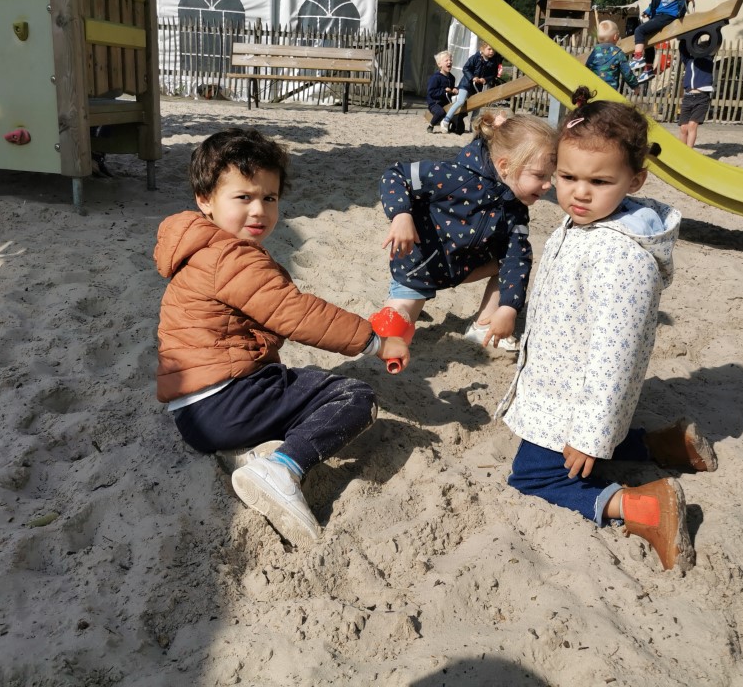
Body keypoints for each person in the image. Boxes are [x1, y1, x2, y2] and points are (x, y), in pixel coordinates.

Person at [497, 86, 718, 572]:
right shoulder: (587, 222)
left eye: (599, 181)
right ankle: (663, 444)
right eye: (567, 176)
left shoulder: (620, 257)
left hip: (576, 402)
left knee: (534, 477)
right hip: (562, 384)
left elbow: (613, 358)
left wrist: (590, 434)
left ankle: (646, 506)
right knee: (577, 452)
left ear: (635, 180)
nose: (579, 192)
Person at [154, 127, 410, 546]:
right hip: (227, 402)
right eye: (243, 197)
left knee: (290, 382)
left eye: (269, 198)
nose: (259, 211)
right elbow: (297, 314)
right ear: (205, 200)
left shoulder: (199, 251)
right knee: (353, 396)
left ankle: (250, 453)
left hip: (192, 414)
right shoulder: (230, 258)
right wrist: (375, 342)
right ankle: (282, 468)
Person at [380, 111, 556, 352]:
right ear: (505, 166)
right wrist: (401, 215)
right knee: (393, 330)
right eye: (539, 175)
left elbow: (516, 260)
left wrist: (508, 307)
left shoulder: (515, 208)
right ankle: (402, 307)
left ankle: (483, 325)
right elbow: (396, 175)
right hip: (419, 269)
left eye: (550, 176)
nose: (548, 185)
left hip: (461, 268)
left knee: (510, 264)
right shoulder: (454, 176)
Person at [630, 0, 702, 82]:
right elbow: (656, 2)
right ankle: (648, 69)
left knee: (639, 31)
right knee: (648, 38)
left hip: (671, 15)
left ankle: (637, 57)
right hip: (658, 14)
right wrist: (648, 11)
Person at [440, 41, 501, 134]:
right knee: (461, 101)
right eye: (489, 49)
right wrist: (472, 77)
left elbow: (493, 75)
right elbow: (466, 68)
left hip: (477, 87)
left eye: (493, 50)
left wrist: (485, 79)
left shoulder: (493, 61)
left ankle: (473, 126)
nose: (491, 51)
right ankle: (445, 121)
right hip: (466, 84)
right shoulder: (475, 58)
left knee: (477, 106)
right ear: (482, 49)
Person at [585, 20, 643, 91]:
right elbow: (627, 72)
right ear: (615, 37)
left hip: (594, 88)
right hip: (610, 90)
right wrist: (635, 86)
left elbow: (587, 66)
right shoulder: (618, 53)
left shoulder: (595, 51)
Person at [677, 39, 714, 148]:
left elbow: (713, 44)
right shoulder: (688, 60)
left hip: (701, 98)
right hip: (688, 97)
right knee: (683, 128)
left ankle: (689, 152)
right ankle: (682, 152)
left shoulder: (707, 60)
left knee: (692, 125)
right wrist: (684, 38)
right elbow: (682, 49)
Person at [426, 50, 459, 133]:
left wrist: (454, 89)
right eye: (446, 60)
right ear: (439, 64)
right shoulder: (436, 77)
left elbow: (451, 89)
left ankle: (452, 126)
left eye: (450, 60)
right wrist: (444, 91)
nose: (449, 62)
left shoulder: (452, 78)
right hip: (435, 102)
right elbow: (431, 92)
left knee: (456, 110)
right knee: (440, 112)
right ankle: (431, 126)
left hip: (445, 102)